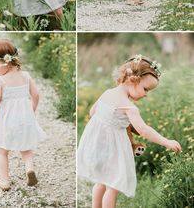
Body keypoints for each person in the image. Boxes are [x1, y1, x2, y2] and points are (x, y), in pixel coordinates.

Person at [77, 55, 182, 208]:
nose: (146, 94)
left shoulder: (107, 93)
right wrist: (167, 142)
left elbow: (93, 112)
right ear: (133, 80)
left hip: (96, 144)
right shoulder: (128, 106)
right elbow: (144, 130)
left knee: (100, 183)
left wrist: (111, 123)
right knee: (112, 187)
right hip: (113, 149)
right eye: (145, 89)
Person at [0, 38, 46, 191]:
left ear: (7, 62)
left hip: (7, 121)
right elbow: (36, 95)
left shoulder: (0, 81)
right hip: (25, 119)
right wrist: (31, 111)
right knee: (26, 148)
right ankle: (29, 169)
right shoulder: (26, 76)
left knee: (2, 151)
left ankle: (4, 181)